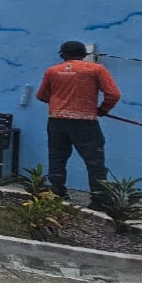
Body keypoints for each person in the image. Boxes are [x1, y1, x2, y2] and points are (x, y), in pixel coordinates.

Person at [36, 40, 121, 210]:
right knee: (95, 161)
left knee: (57, 157)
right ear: (84, 54)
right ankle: (99, 201)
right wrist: (102, 110)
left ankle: (57, 193)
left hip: (57, 120)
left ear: (63, 55)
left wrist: (58, 102)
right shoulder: (96, 70)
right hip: (85, 122)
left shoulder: (52, 71)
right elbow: (113, 94)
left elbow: (42, 96)